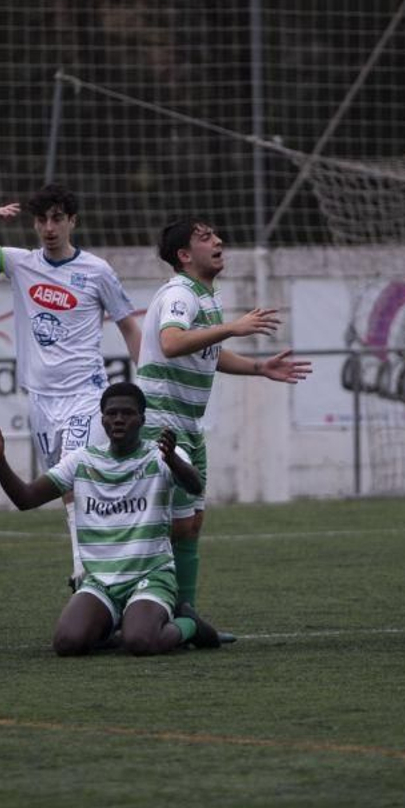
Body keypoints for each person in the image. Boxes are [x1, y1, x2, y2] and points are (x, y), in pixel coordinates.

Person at [0, 184, 142, 589]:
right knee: (62, 486)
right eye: (42, 220)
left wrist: (148, 383)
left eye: (57, 218)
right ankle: (95, 564)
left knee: (75, 478)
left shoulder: (97, 271)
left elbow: (129, 327)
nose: (49, 228)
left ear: (72, 221)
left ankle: (84, 570)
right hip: (41, 400)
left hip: (85, 394)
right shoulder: (20, 263)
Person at [136, 219, 311, 631]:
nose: (219, 241)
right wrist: (233, 327)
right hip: (162, 425)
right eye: (205, 238)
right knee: (174, 523)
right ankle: (150, 610)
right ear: (184, 255)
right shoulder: (181, 293)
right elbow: (172, 342)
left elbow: (207, 352)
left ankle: (186, 614)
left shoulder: (205, 296)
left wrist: (258, 367)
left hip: (187, 425)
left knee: (193, 522)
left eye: (217, 234)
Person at [0, 382, 219, 656]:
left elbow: (194, 486)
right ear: (102, 419)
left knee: (140, 642)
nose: (118, 419)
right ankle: (118, 620)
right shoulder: (82, 460)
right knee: (67, 644)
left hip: (150, 575)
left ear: (142, 420)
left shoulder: (161, 455)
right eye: (111, 414)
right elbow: (26, 499)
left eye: (127, 413)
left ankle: (187, 624)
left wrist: (174, 462)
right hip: (100, 580)